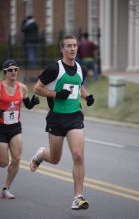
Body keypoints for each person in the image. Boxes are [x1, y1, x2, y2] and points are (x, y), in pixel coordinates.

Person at [29, 35, 95, 210]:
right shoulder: (54, 69)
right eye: (69, 46)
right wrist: (57, 95)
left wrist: (87, 96)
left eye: (74, 45)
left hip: (74, 116)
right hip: (57, 118)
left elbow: (78, 85)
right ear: (62, 49)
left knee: (79, 156)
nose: (73, 48)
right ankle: (42, 154)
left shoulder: (82, 68)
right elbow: (37, 88)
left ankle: (78, 197)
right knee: (55, 158)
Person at [0, 59, 40, 199]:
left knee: (16, 158)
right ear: (5, 72)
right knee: (3, 162)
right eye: (10, 70)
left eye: (16, 69)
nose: (13, 72)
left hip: (15, 127)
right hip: (1, 129)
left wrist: (33, 103)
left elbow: (27, 105)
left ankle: (6, 188)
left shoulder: (22, 88)